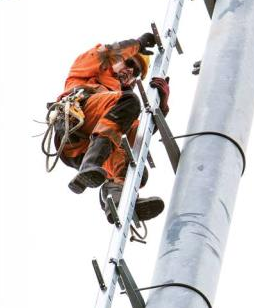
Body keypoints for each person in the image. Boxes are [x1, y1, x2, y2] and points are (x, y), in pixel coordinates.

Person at [54, 31, 170, 224]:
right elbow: (107, 54)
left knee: (133, 164)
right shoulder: (95, 68)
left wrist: (162, 108)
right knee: (129, 101)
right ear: (121, 58)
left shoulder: (122, 107)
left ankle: (117, 201)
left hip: (81, 149)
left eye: (137, 72)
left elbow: (137, 136)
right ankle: (91, 165)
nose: (131, 71)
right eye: (130, 63)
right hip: (75, 120)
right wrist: (136, 44)